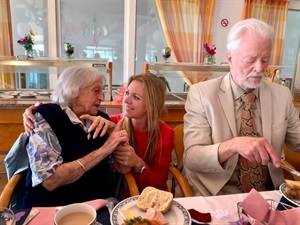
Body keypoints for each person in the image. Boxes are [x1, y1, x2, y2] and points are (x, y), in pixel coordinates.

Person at [182, 18, 300, 196]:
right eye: (250, 60)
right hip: (216, 193)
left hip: (268, 194)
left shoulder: (281, 95)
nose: (259, 68)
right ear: (230, 57)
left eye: (265, 60)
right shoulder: (201, 94)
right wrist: (234, 145)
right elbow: (192, 158)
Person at [23, 72, 174, 196]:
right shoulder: (106, 123)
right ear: (75, 92)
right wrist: (37, 111)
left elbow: (156, 183)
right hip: (104, 201)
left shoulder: (164, 133)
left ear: (151, 104)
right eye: (127, 93)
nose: (125, 100)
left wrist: (138, 163)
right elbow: (50, 180)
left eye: (136, 97)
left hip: (140, 199)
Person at [22, 66, 128, 207]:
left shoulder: (101, 120)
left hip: (95, 206)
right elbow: (50, 181)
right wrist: (104, 150)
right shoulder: (46, 117)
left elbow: (122, 168)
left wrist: (115, 135)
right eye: (96, 91)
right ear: (74, 91)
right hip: (50, 208)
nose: (102, 97)